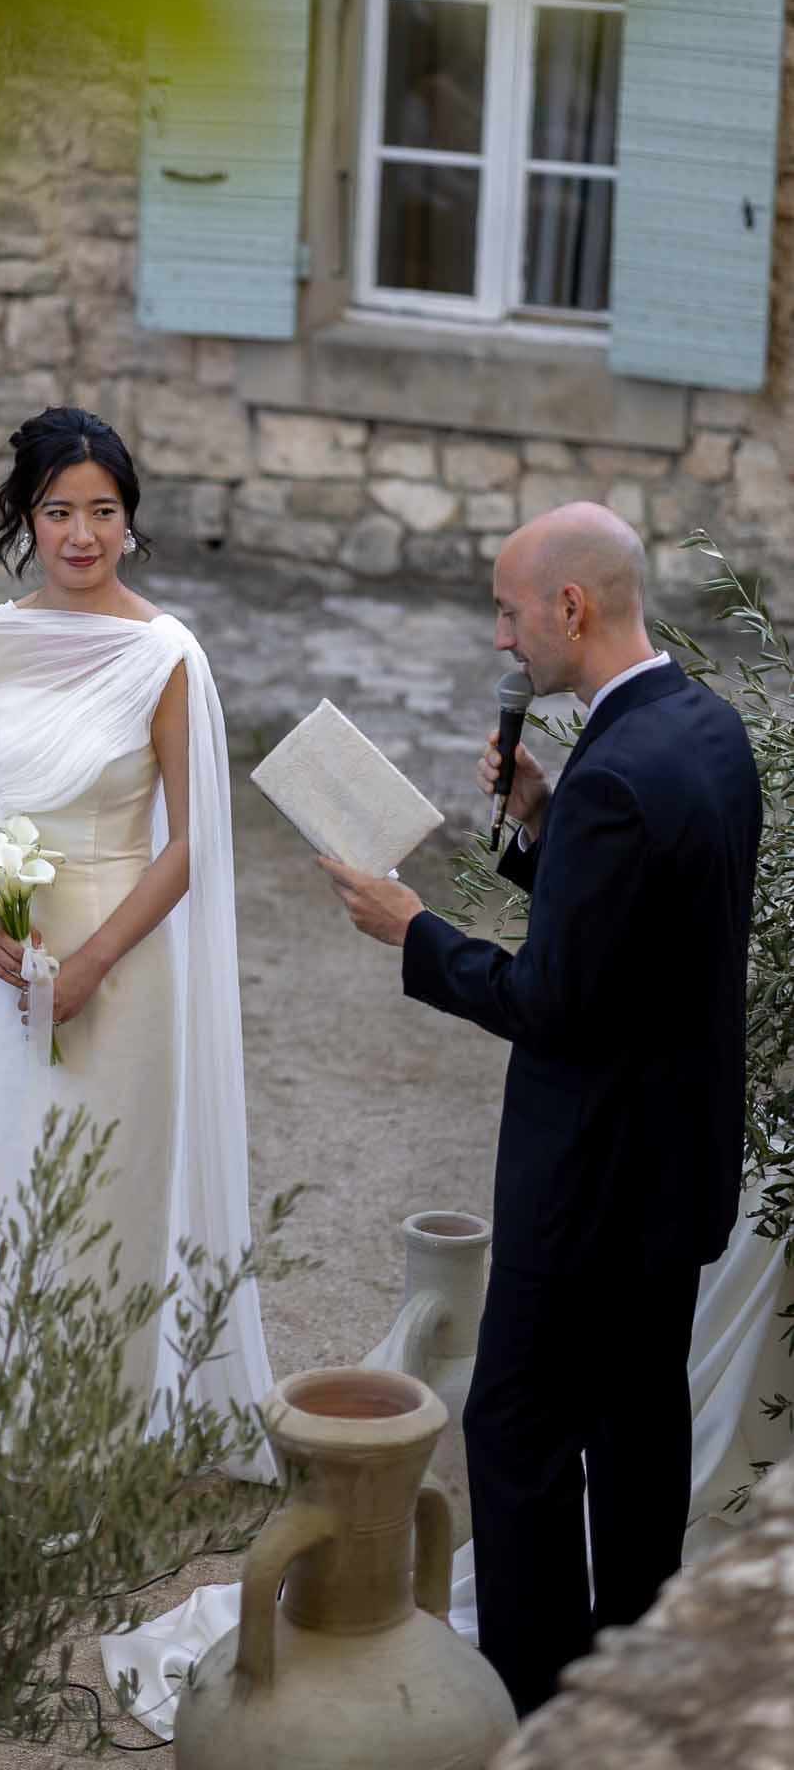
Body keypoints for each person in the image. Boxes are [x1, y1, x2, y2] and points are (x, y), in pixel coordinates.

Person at [322, 501, 761, 1717]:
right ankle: (633, 1681)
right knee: (635, 1427)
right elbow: (642, 931)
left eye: (511, 610)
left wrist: (415, 930)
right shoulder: (705, 728)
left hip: (592, 1184)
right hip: (675, 1171)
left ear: (572, 606)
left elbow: (555, 996)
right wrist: (536, 821)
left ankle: (534, 1701)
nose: (503, 638)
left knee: (515, 1434)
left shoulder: (620, 769)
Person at [0, 406, 273, 1466]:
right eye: (59, 510)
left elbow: (195, 836)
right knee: (2, 1180)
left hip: (119, 958)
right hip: (3, 961)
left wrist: (94, 961)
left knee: (99, 1200)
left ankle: (90, 1448)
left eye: (102, 510)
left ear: (130, 519)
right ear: (24, 517)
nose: (81, 533)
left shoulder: (168, 654)